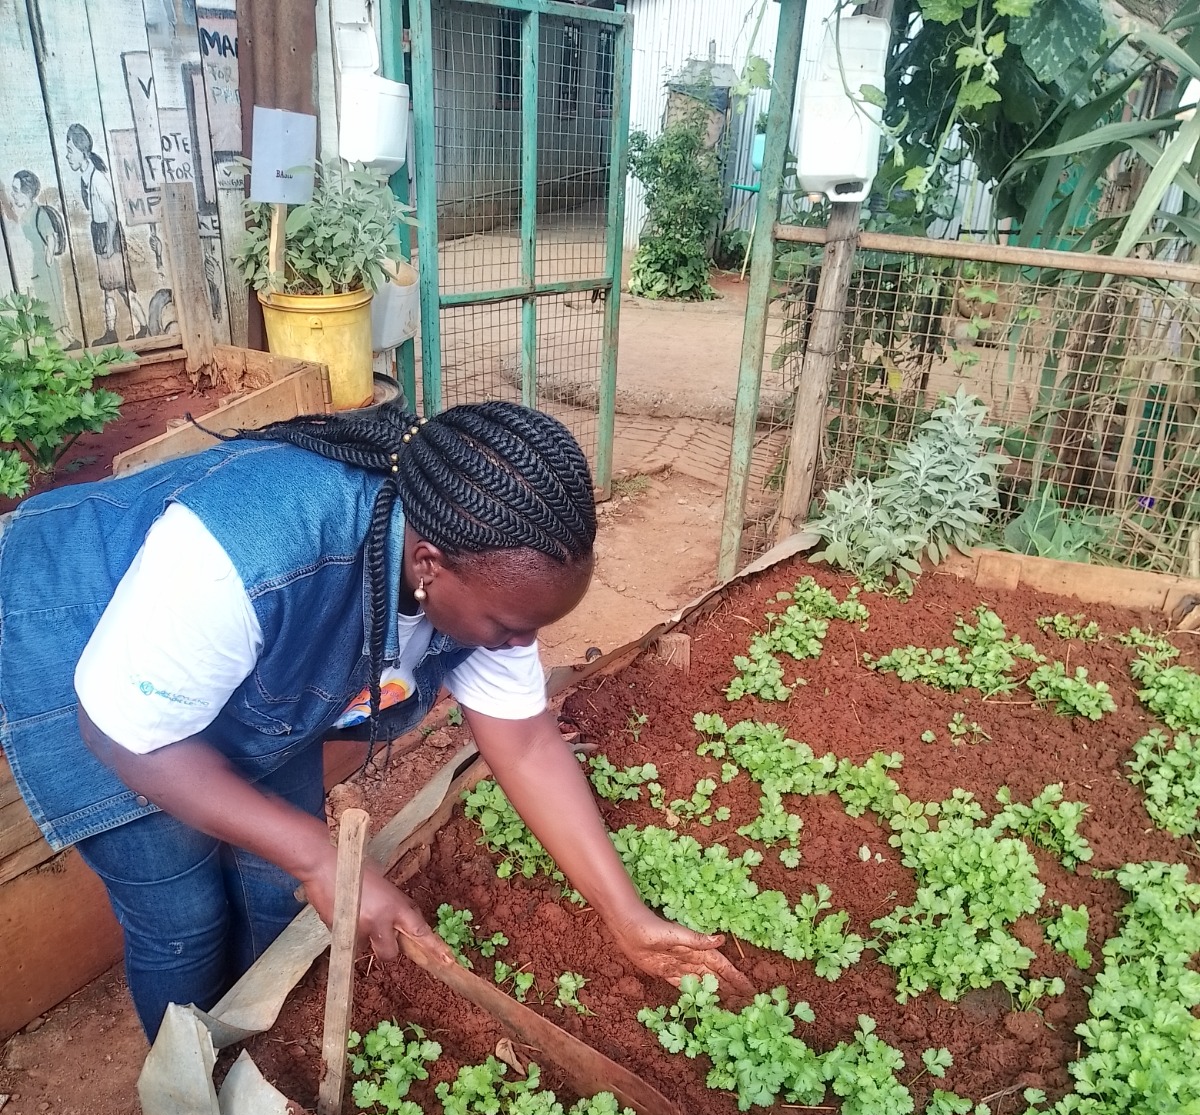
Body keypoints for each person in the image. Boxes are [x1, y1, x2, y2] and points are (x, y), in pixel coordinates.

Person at [0, 400, 744, 1039]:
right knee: (183, 912)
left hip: (254, 675)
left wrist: (626, 913)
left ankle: (255, 1044)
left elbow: (520, 740)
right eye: (510, 626)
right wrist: (320, 859)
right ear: (429, 563)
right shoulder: (249, 554)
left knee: (272, 885)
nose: (525, 646)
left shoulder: (486, 573)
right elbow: (123, 736)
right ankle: (190, 1077)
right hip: (87, 635)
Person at [63, 123, 148, 345]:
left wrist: (110, 243)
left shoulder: (99, 179)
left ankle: (144, 328)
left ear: (83, 151)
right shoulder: (86, 177)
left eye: (70, 150)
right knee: (109, 288)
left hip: (108, 235)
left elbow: (113, 214)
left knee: (121, 286)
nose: (67, 155)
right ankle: (112, 332)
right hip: (99, 233)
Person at [9, 170, 76, 346]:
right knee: (45, 302)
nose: (13, 195)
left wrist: (47, 258)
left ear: (27, 192)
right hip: (36, 265)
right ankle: (62, 339)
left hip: (45, 266)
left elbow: (50, 236)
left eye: (16, 190)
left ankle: (65, 339)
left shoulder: (38, 213)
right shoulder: (25, 216)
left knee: (51, 302)